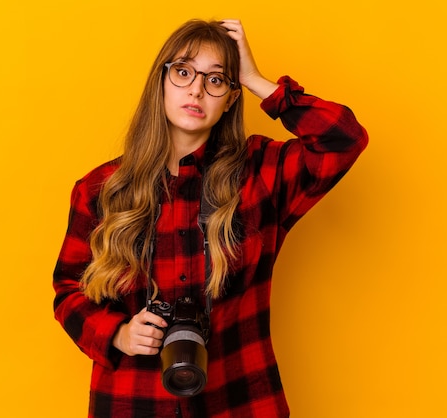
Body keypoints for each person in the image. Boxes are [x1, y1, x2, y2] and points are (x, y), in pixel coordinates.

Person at [53, 19, 368, 418]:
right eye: (183, 72)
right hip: (134, 402)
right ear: (161, 81)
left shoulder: (261, 174)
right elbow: (68, 290)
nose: (196, 90)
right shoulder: (101, 190)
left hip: (239, 400)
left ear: (231, 98)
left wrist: (256, 80)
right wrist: (118, 333)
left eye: (216, 80)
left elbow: (344, 139)